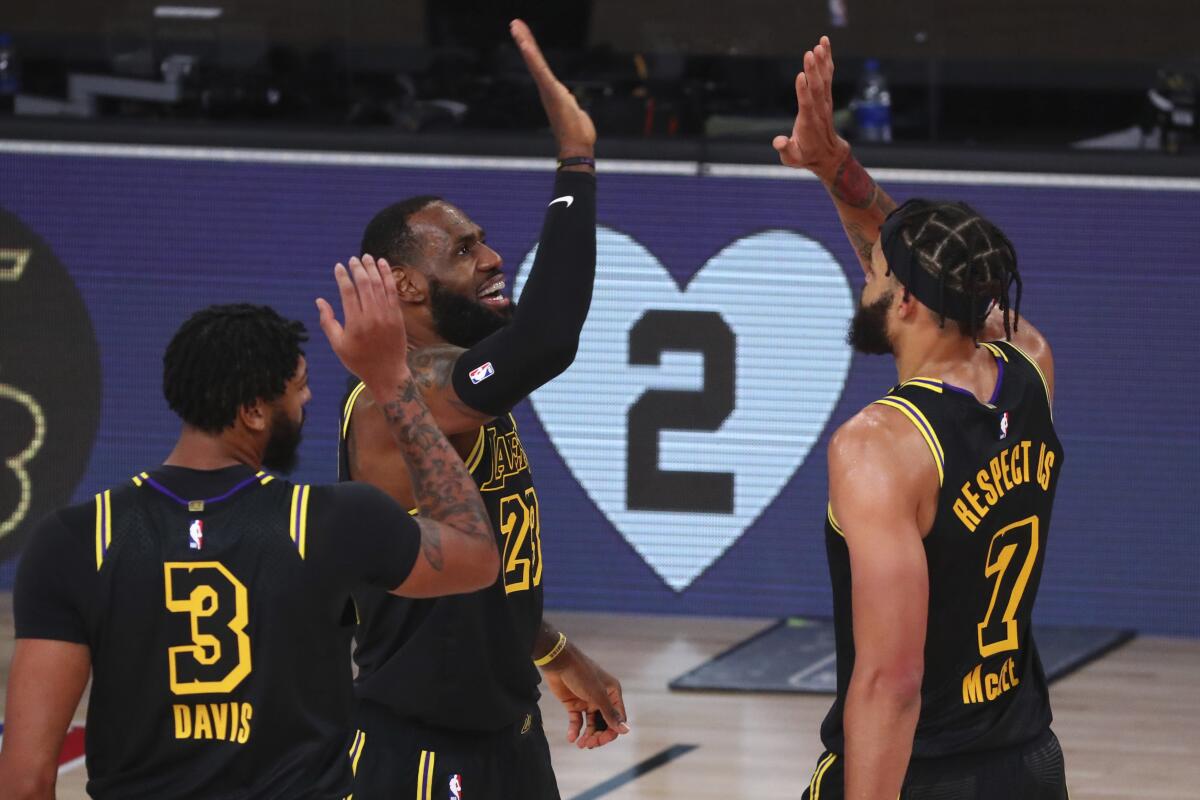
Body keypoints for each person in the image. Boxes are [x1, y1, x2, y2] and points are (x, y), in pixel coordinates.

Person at [0, 256, 499, 800]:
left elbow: (25, 782)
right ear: (255, 413)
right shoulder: (334, 522)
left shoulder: (75, 540)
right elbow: (474, 553)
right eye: (299, 387)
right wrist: (391, 382)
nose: (306, 401)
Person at [337, 20, 627, 800]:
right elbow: (546, 339)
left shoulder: (467, 385)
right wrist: (576, 159)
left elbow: (463, 575)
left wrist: (551, 649)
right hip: (424, 753)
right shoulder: (400, 396)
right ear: (403, 284)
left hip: (509, 734)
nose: (495, 258)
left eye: (483, 241)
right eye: (464, 249)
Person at [773, 38, 1068, 800]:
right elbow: (931, 263)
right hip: (1028, 763)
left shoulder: (881, 444)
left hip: (924, 776)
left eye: (872, 271)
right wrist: (837, 170)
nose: (865, 272)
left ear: (903, 300)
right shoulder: (1029, 364)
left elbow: (890, 680)